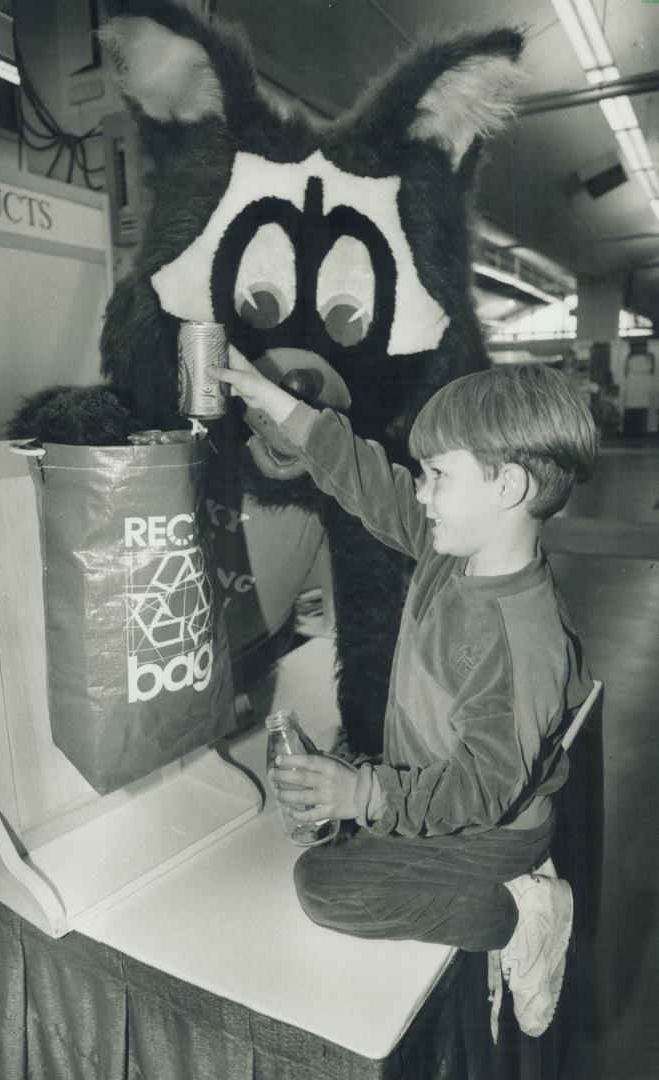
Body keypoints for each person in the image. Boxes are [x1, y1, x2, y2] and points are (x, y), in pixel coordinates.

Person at [209, 350, 598, 1039]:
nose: (419, 492)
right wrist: (281, 406)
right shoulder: (455, 553)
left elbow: (481, 789)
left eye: (437, 475)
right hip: (442, 796)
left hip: (487, 832)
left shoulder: (520, 640)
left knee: (323, 889)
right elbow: (369, 483)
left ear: (507, 486)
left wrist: (363, 796)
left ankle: (522, 915)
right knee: (332, 849)